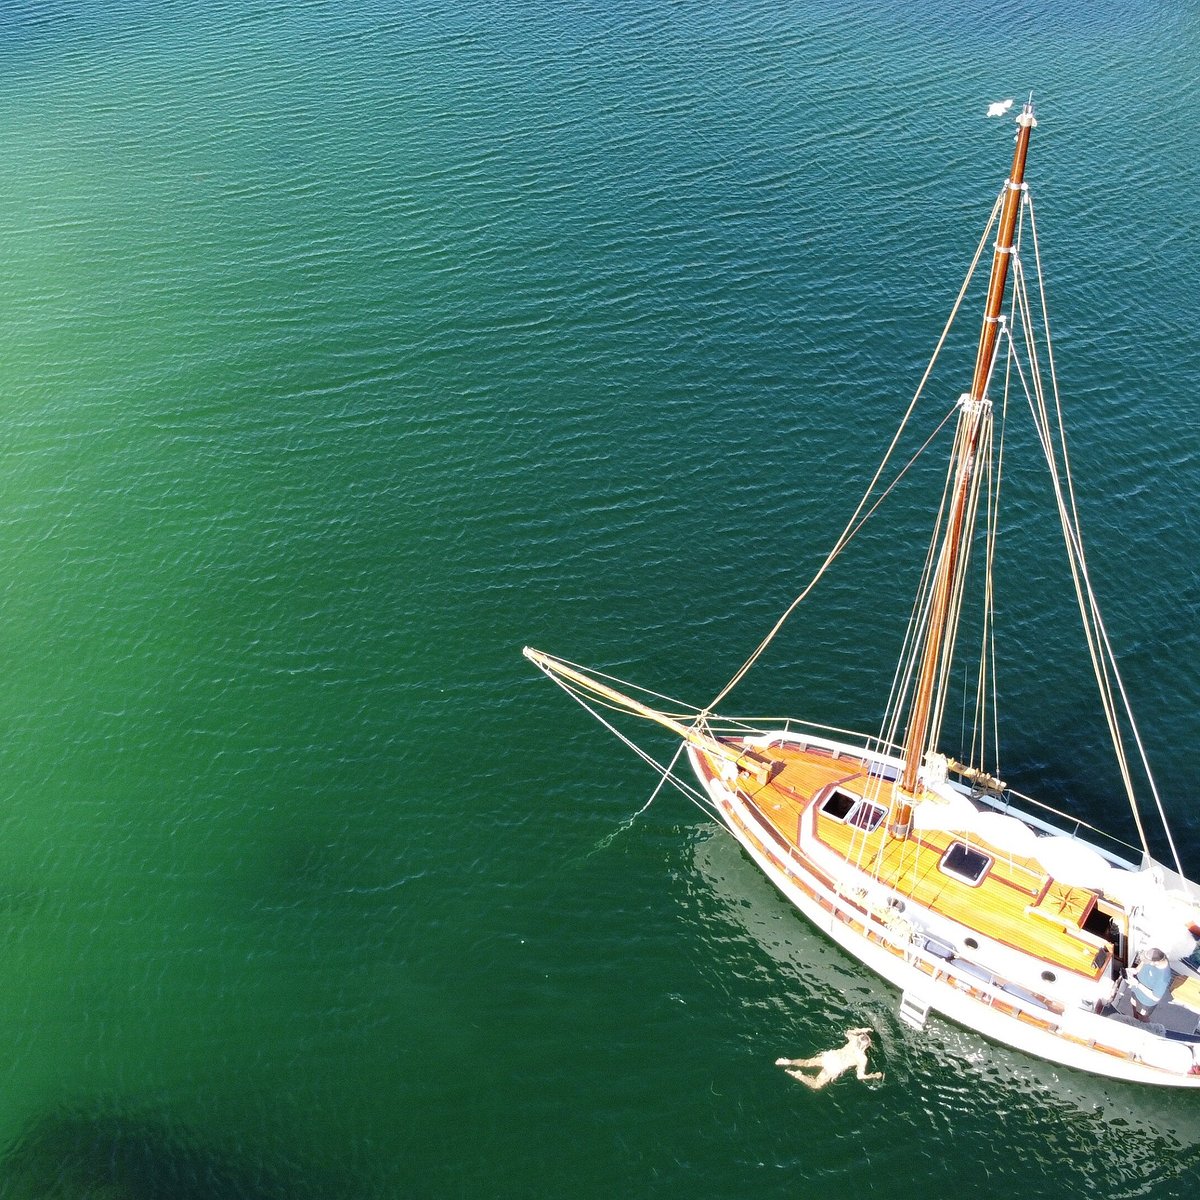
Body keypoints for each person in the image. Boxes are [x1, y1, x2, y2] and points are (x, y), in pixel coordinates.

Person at [775, 1027, 883, 1090]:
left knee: (807, 1062)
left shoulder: (853, 1040)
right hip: (835, 1066)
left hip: (830, 1056)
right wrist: (874, 1075)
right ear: (865, 1046)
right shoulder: (862, 1058)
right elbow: (860, 1076)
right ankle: (799, 1075)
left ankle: (788, 1061)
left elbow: (848, 1032)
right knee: (816, 1085)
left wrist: (862, 1029)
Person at [1127, 947, 1172, 1020]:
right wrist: (1135, 970)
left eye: (1148, 961)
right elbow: (1143, 962)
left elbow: (1155, 997)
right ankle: (1134, 1019)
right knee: (1133, 1004)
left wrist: (1137, 984)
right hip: (1135, 989)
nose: (1145, 962)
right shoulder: (1156, 956)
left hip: (1146, 1001)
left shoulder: (1163, 978)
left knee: (1142, 1017)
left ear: (1156, 962)